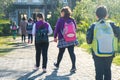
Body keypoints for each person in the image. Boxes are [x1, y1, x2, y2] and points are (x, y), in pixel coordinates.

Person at [86, 5, 120, 80]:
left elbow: (88, 41)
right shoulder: (111, 24)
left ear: (96, 15)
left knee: (99, 72)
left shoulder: (93, 25)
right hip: (110, 52)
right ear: (106, 15)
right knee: (107, 70)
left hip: (97, 53)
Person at [54, 6, 79, 72]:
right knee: (71, 53)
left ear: (63, 13)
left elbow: (56, 29)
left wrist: (55, 36)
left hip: (63, 39)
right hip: (71, 38)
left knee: (61, 53)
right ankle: (73, 66)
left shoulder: (60, 20)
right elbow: (75, 28)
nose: (60, 14)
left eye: (61, 12)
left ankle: (57, 64)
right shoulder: (72, 19)